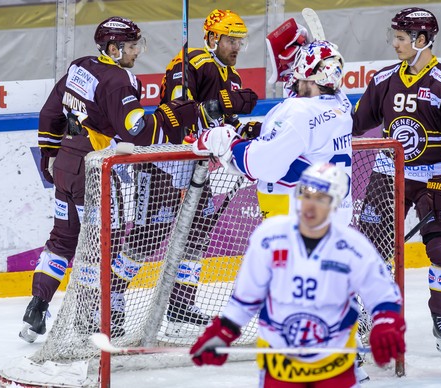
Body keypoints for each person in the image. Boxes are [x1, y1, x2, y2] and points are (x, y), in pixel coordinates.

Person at [20, 16, 210, 343]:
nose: (138, 51)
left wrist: (49, 152)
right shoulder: (120, 80)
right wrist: (177, 114)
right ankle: (93, 317)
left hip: (67, 161)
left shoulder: (81, 66)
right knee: (103, 243)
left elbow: (51, 111)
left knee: (63, 238)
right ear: (114, 48)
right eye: (133, 45)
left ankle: (36, 307)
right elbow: (138, 133)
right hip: (94, 169)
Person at [189, 162, 406, 387]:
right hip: (280, 370)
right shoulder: (269, 238)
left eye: (321, 198)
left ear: (336, 204)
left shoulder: (353, 248)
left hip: (335, 369)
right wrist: (223, 330)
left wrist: (386, 323)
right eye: (306, 194)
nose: (310, 205)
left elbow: (383, 296)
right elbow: (246, 298)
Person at [351, 7, 441, 358]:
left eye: (402, 38)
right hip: (388, 176)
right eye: (396, 37)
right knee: (370, 252)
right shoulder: (384, 80)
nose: (395, 44)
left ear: (422, 41)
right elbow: (357, 122)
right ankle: (364, 316)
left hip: (432, 181)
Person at [155, 9, 258, 335]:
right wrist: (225, 102)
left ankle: (181, 307)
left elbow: (222, 121)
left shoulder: (232, 75)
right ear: (212, 37)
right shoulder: (192, 62)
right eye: (231, 40)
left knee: (196, 236)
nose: (237, 47)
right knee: (147, 240)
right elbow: (177, 111)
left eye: (240, 41)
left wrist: (244, 128)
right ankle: (111, 307)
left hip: (199, 167)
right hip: (167, 161)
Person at [193, 39, 353, 221]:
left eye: (298, 69)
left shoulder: (298, 112)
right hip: (336, 219)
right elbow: (312, 95)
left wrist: (228, 141)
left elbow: (260, 164)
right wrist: (314, 55)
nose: (294, 75)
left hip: (299, 224)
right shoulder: (342, 104)